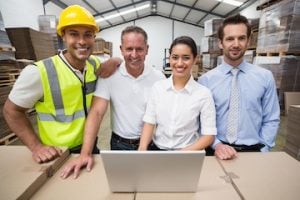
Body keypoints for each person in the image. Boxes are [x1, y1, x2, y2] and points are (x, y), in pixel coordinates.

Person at [3, 5, 121, 164]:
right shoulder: (39, 72)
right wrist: (37, 147)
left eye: (88, 35)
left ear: (94, 38)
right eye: (74, 34)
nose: (82, 41)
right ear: (63, 36)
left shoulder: (94, 64)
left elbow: (119, 61)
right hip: (58, 153)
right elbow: (11, 111)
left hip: (89, 145)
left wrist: (115, 60)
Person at [60, 25, 165, 179]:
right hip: (119, 145)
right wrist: (85, 153)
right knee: (121, 186)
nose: (134, 54)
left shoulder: (158, 78)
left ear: (147, 49)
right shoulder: (109, 76)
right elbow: (96, 113)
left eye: (139, 49)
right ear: (121, 49)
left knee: (149, 186)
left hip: (151, 144)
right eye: (129, 49)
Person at [198, 14, 280, 160]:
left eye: (241, 38)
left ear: (248, 41)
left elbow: (271, 118)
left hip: (254, 150)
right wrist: (216, 145)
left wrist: (264, 148)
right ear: (220, 43)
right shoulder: (206, 81)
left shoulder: (265, 77)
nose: (236, 44)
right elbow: (200, 121)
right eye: (230, 39)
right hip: (216, 150)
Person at [138, 36, 216, 151]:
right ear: (169, 58)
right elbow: (149, 122)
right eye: (175, 57)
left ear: (195, 59)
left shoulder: (203, 94)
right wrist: (142, 148)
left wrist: (180, 155)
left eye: (186, 58)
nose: (179, 63)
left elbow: (209, 136)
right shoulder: (158, 88)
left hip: (188, 153)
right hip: (158, 150)